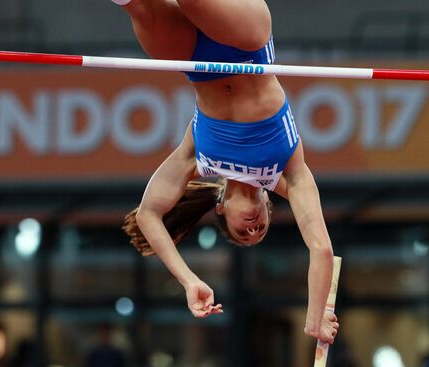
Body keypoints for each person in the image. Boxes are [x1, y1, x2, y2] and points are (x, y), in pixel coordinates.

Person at [117, 0, 339, 344]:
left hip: (195, 60)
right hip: (247, 43)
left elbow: (149, 214)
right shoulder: (292, 175)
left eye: (243, 233)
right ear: (268, 205)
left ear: (221, 208)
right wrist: (315, 319)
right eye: (260, 230)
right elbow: (321, 248)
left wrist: (189, 281)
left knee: (137, 6)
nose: (253, 230)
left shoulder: (200, 160)